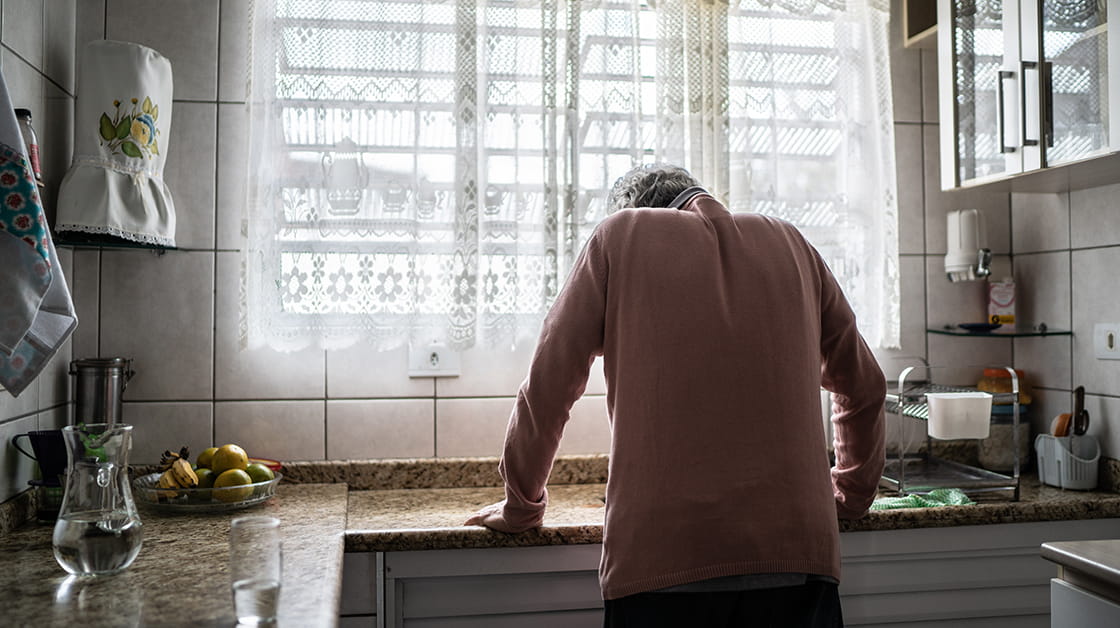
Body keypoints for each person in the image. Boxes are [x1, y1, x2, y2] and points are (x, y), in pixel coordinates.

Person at [464, 163, 886, 627]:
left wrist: (521, 505)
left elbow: (549, 385)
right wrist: (849, 495)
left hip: (662, 568)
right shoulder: (792, 243)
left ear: (639, 210)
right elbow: (864, 386)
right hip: (799, 563)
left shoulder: (619, 236)